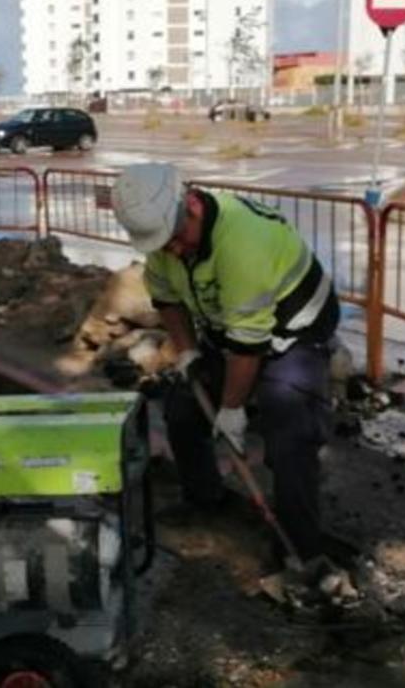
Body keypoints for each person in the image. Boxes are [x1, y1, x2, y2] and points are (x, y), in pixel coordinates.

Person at [111, 162, 340, 564]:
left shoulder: (244, 244)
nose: (174, 251)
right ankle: (205, 500)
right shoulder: (167, 245)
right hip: (232, 327)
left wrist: (232, 411)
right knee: (184, 409)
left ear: (194, 205)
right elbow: (167, 300)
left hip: (297, 331)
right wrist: (187, 353)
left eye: (177, 239)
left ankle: (300, 550)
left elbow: (248, 348)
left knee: (290, 435)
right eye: (164, 245)